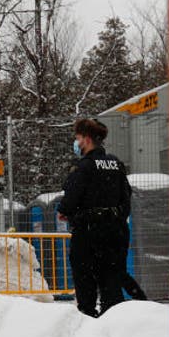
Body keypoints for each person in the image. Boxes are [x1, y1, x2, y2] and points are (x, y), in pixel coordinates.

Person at [58, 119, 133, 317]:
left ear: (87, 140)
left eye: (78, 138)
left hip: (88, 233)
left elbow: (70, 200)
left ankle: (89, 322)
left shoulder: (84, 167)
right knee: (112, 283)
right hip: (116, 233)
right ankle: (114, 321)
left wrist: (66, 211)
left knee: (86, 283)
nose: (76, 142)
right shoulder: (116, 165)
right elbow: (127, 198)